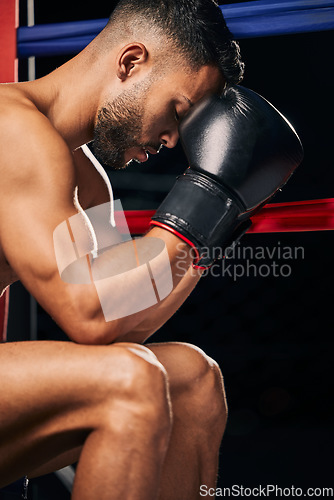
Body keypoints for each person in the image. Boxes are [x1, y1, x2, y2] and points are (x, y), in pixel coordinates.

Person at [0, 1, 244, 498]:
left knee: (192, 379)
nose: (175, 140)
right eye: (177, 111)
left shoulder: (88, 181)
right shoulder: (12, 127)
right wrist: (198, 206)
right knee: (131, 381)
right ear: (131, 62)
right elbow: (87, 316)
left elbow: (119, 322)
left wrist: (209, 226)